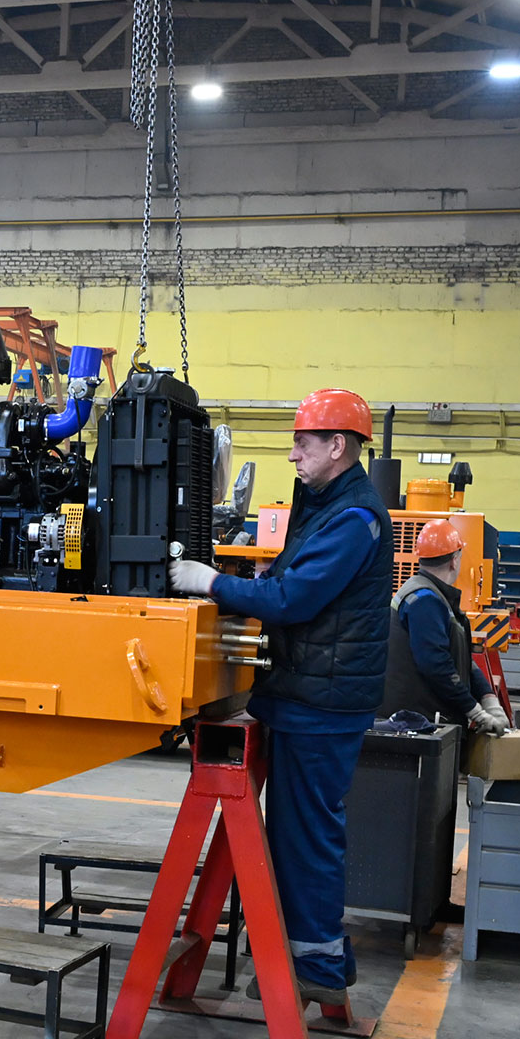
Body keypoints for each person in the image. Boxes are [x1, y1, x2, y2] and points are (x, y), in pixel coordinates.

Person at [169, 387, 391, 1007]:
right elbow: (289, 580)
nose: (292, 456)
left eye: (302, 443)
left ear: (337, 446)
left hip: (321, 706)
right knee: (300, 835)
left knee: (307, 837)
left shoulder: (353, 518)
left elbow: (294, 599)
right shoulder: (324, 507)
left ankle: (319, 968)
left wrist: (211, 582)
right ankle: (317, 959)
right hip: (304, 695)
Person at [380, 519, 509, 735]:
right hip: (420, 724)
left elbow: (460, 660)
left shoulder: (430, 595)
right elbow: (436, 665)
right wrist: (475, 711)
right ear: (454, 561)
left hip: (423, 721)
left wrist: (488, 699)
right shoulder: (425, 601)